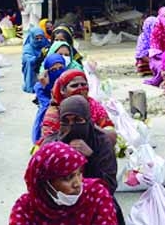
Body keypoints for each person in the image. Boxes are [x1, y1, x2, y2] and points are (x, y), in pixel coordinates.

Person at [44, 95, 125, 225]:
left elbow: (110, 185)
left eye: (78, 120)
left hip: (96, 200)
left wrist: (90, 158)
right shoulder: (50, 145)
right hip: (59, 202)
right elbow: (41, 185)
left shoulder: (101, 142)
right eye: (66, 121)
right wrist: (62, 155)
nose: (72, 126)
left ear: (88, 120)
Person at [9, 142, 118, 225]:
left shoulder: (96, 195)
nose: (77, 184)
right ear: (46, 183)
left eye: (79, 173)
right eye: (67, 178)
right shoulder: (26, 208)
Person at [41, 70, 112, 140]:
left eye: (83, 84)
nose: (80, 88)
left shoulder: (94, 106)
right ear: (62, 90)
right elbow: (48, 140)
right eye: (74, 86)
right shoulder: (55, 112)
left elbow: (107, 126)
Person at [31, 54, 66, 144]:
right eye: (53, 70)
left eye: (61, 68)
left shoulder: (67, 82)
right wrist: (46, 86)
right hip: (48, 119)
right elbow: (48, 105)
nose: (58, 72)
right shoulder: (39, 86)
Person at [145, 7, 165, 86]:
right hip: (158, 57)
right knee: (163, 66)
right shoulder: (156, 31)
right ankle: (158, 81)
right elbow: (155, 51)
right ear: (160, 17)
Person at [22, 27, 49, 93]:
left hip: (44, 67)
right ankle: (31, 86)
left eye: (41, 38)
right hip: (33, 68)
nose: (39, 40)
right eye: (37, 38)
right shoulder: (28, 47)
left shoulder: (47, 44)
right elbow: (27, 58)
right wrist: (38, 59)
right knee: (29, 63)